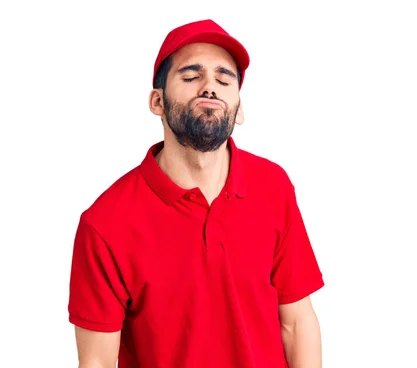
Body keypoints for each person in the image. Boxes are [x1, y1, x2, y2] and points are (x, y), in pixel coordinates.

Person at [68, 19, 324, 368]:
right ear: (157, 101)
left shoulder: (273, 187)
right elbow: (96, 361)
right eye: (191, 77)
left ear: (238, 106)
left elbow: (296, 324)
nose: (210, 88)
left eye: (224, 79)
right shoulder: (105, 223)